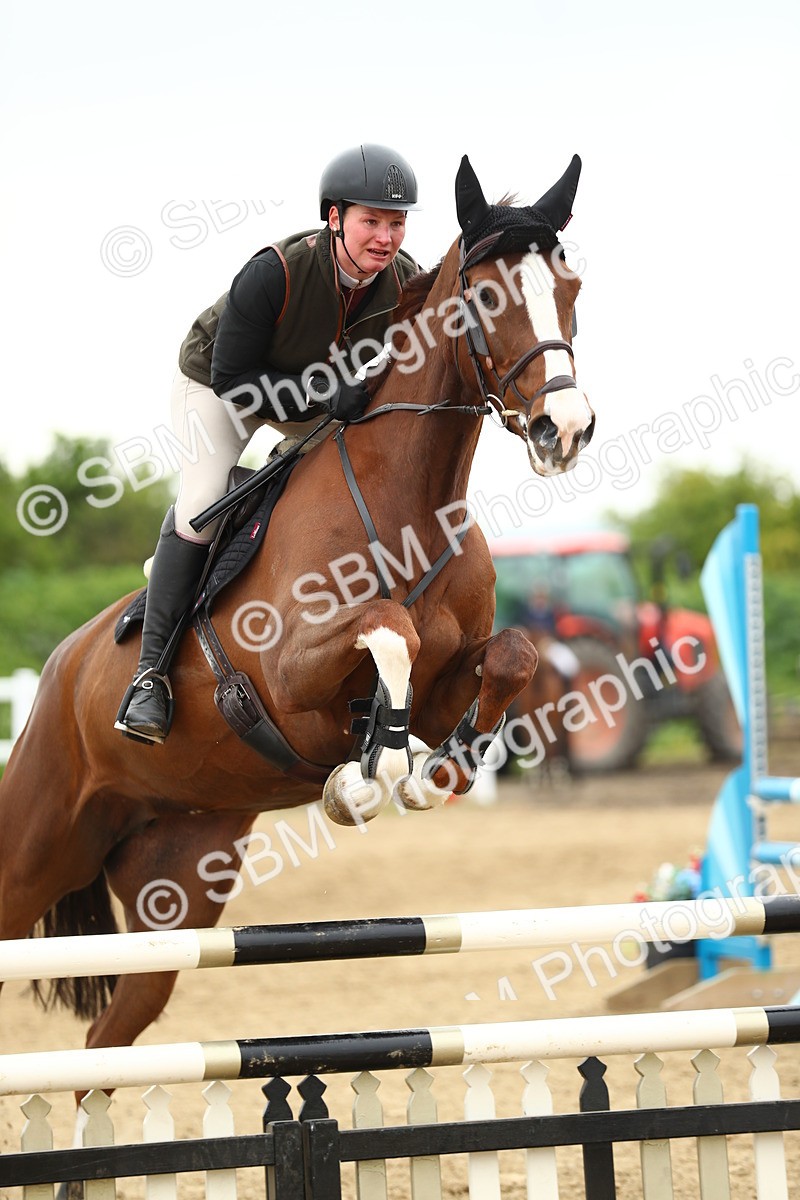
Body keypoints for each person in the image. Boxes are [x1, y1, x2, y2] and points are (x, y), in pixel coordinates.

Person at [116, 143, 420, 745]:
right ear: (334, 217)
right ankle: (150, 677)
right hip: (220, 384)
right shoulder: (275, 270)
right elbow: (234, 379)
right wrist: (327, 396)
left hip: (311, 395)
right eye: (371, 221)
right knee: (204, 503)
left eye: (396, 222)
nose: (385, 237)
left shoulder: (404, 281)